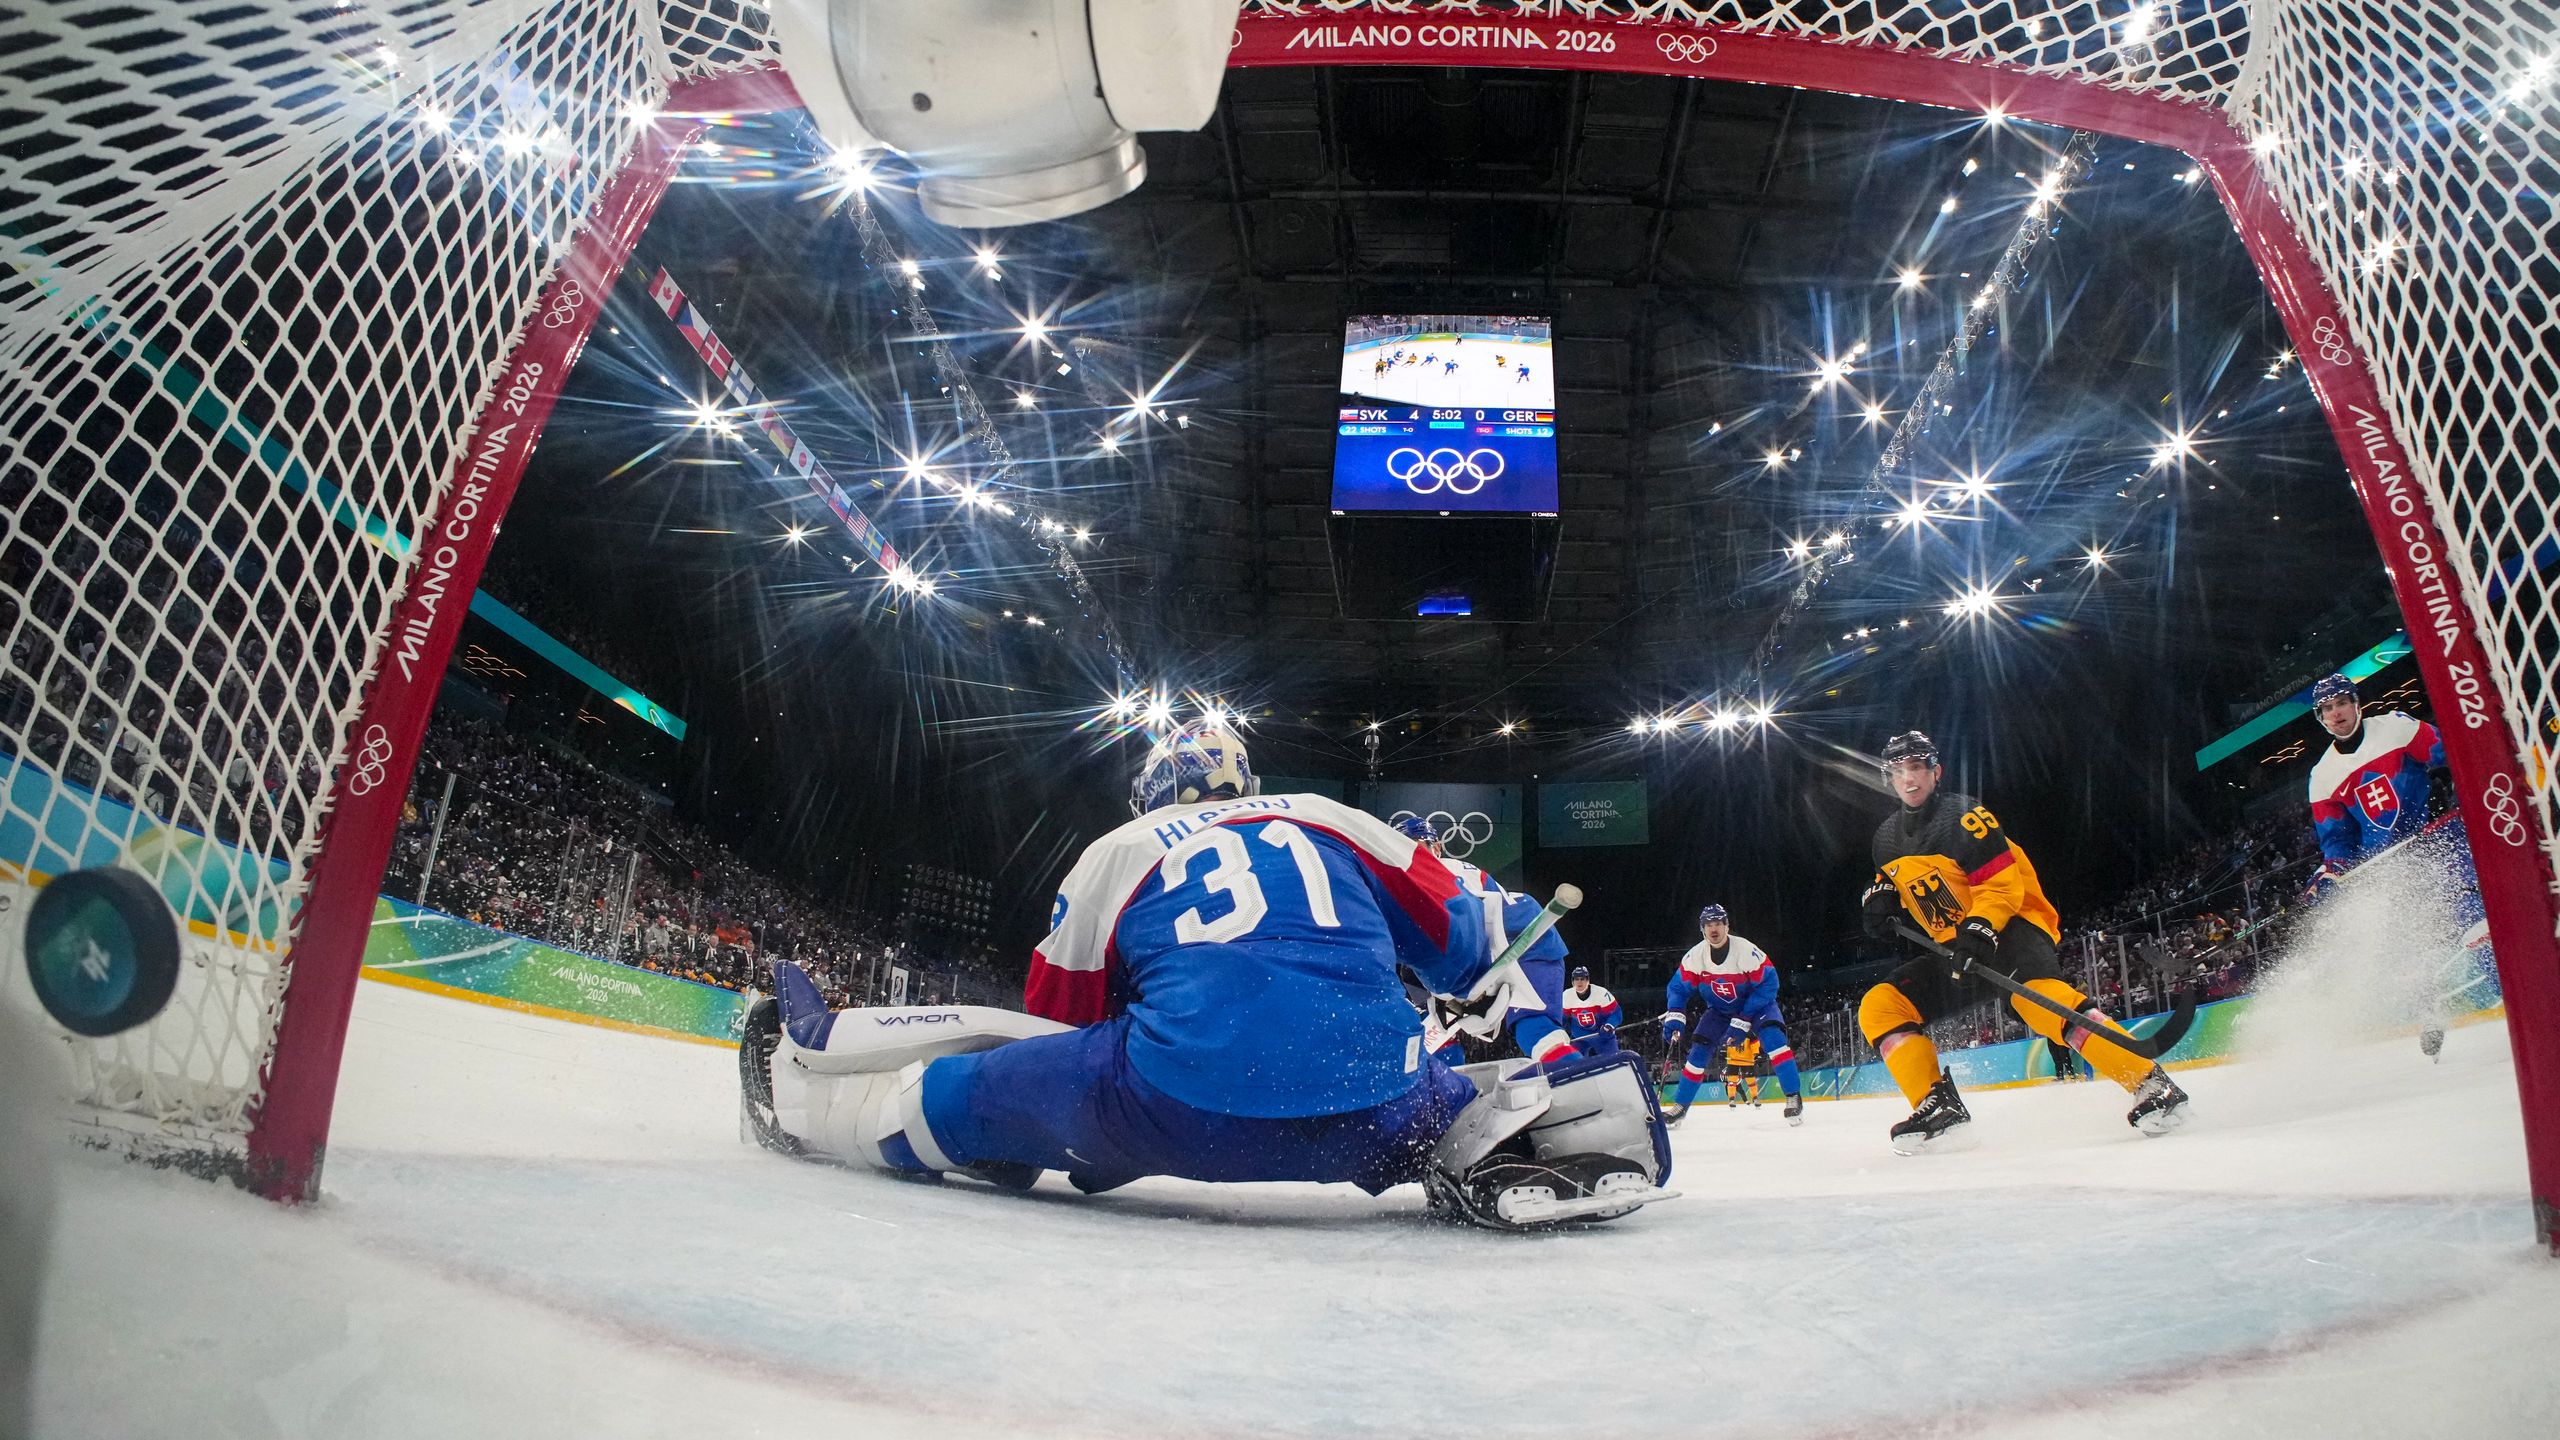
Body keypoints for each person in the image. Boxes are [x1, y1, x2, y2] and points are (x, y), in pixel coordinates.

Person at [739, 718, 1674, 1231]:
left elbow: (1058, 1020)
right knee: (1454, 1094)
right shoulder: (1331, 816)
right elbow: (1511, 931)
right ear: (1247, 782)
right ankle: (1526, 1138)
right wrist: (1529, 1018)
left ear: (1150, 795)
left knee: (962, 1088)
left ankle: (811, 1107)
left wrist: (1054, 1112)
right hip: (1377, 1122)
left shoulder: (1117, 849)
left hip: (1172, 1113)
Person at [1857, 730, 2188, 1153]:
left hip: (2012, 927)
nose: (1909, 778)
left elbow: (2000, 887)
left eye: (1918, 767)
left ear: (1936, 772)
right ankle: (1938, 1106)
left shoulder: (1965, 817)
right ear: (1888, 779)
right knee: (1882, 1006)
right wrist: (1881, 896)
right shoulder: (1884, 840)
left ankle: (2150, 1082)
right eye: (1899, 770)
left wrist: (1979, 930)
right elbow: (1896, 881)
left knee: (2038, 999)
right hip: (1956, 946)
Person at [2303, 672, 2472, 1058]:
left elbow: (2449, 753)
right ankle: (2429, 1011)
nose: (2336, 713)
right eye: (2327, 709)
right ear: (2320, 718)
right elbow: (2339, 842)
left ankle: (2525, 1001)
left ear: (2356, 704)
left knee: (2475, 920)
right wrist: (2332, 873)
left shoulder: (2395, 727)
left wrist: (2456, 794)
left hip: (2441, 840)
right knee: (2411, 943)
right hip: (2392, 866)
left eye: (2342, 703)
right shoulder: (2322, 778)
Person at [1391, 813, 1578, 1067]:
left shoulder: (1447, 872)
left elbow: (1463, 931)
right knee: (1436, 1026)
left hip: (1529, 946)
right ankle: (1449, 1082)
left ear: (1436, 847)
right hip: (1498, 948)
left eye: (1414, 846)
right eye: (1399, 847)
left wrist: (1455, 993)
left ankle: (1576, 1075)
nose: (1407, 854)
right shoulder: (1410, 885)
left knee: (1537, 1030)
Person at [1659, 905, 1804, 1127]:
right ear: (1702, 929)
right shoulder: (1695, 957)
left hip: (1757, 1007)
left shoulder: (1745, 950)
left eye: (1718, 923)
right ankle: (1680, 1107)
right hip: (1720, 1011)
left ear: (1727, 926)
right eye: (1709, 925)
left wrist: (1744, 1018)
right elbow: (1678, 988)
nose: (1714, 929)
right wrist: (1676, 1013)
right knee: (1698, 1051)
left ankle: (1793, 1096)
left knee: (1774, 1041)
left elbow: (1769, 983)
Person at [1561, 966, 1621, 1055]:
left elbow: (1616, 1013)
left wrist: (1609, 1025)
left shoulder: (1601, 993)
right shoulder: (1566, 995)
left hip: (1602, 1035)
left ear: (1588, 980)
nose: (1579, 982)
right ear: (1572, 982)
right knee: (1573, 1061)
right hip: (1579, 1038)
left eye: (1582, 979)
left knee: (1613, 1060)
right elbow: (1562, 1019)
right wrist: (1562, 1033)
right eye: (1576, 979)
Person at [1722, 1033, 1761, 1108]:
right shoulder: (1730, 1031)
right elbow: (1724, 1040)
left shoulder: (1748, 1032)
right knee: (1732, 1081)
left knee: (1751, 1081)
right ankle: (1731, 1099)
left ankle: (1755, 1098)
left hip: (1746, 1059)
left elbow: (1755, 1041)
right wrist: (1723, 1048)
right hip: (1734, 1060)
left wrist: (1756, 1053)